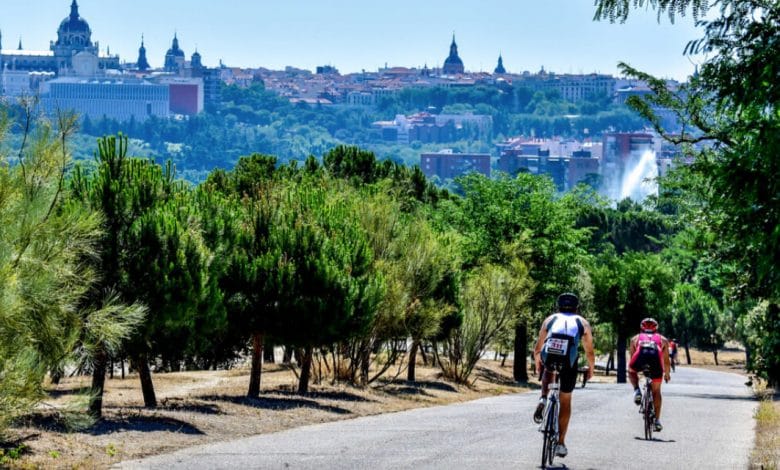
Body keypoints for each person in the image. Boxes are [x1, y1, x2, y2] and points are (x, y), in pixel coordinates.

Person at [532, 292, 596, 459]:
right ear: (577, 307)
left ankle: (543, 398)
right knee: (565, 399)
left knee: (548, 368)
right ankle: (560, 443)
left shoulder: (550, 319)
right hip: (569, 359)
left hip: (549, 354)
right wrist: (591, 368)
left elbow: (538, 348)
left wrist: (539, 363)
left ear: (558, 306)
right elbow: (589, 351)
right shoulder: (582, 322)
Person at [628, 318, 671, 432]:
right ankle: (657, 421)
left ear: (642, 328)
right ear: (656, 328)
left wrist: (636, 373)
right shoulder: (663, 340)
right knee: (656, 391)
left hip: (641, 360)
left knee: (631, 370)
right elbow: (666, 361)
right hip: (656, 364)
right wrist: (667, 374)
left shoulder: (635, 339)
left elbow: (633, 358)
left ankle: (637, 390)